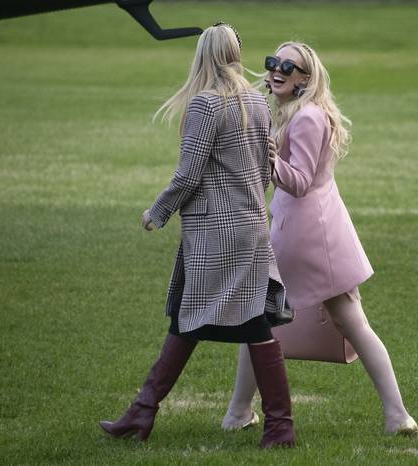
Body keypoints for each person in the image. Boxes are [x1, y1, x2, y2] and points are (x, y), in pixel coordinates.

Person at [98, 24, 296, 449]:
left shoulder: (206, 104)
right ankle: (144, 410)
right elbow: (265, 172)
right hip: (251, 228)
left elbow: (188, 174)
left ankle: (278, 426)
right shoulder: (256, 103)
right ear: (236, 54)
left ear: (203, 54)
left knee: (223, 321)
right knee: (212, 320)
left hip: (214, 234)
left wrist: (159, 210)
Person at [221, 41, 418, 436]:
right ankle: (239, 412)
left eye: (289, 66)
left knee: (337, 321)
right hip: (306, 229)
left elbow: (300, 183)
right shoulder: (294, 113)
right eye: (274, 62)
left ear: (305, 79)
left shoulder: (308, 117)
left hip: (311, 234)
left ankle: (398, 415)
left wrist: (268, 158)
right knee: (271, 319)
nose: (277, 70)